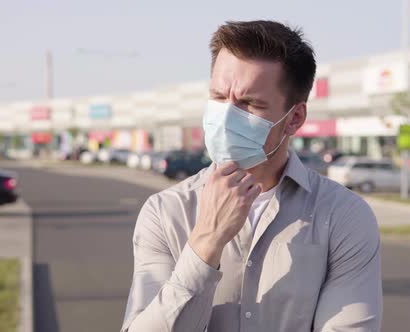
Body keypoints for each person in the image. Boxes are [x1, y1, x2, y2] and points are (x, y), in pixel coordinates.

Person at [121, 20, 382, 332]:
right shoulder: (165, 212)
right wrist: (206, 241)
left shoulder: (342, 216)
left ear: (294, 118)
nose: (227, 116)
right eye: (219, 97)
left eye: (249, 104)